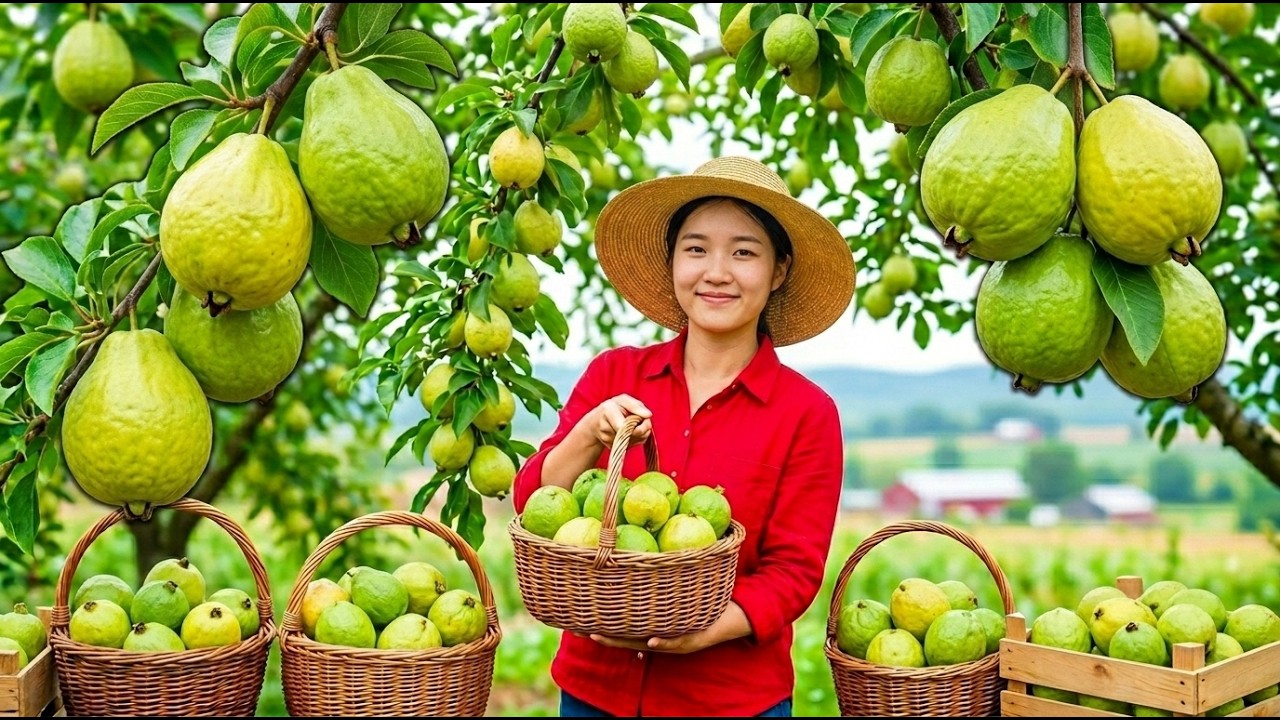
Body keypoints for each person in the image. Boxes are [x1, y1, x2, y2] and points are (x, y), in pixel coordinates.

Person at [511, 155, 856, 717]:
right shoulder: (613, 376)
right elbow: (535, 505)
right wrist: (587, 434)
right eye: (695, 249)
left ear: (779, 270)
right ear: (673, 262)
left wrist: (705, 630)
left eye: (744, 252)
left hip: (730, 699)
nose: (716, 272)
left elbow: (794, 572)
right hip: (593, 690)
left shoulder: (806, 413)